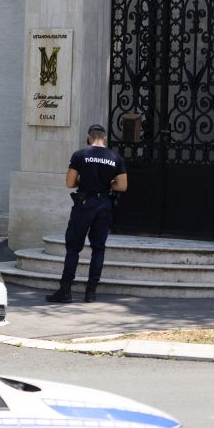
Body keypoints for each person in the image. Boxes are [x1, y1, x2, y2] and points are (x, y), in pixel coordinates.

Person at [46, 124, 128, 303]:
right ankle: (91, 292)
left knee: (73, 248)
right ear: (104, 137)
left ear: (89, 137)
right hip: (104, 204)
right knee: (98, 248)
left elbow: (70, 183)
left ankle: (65, 290)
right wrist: (109, 184)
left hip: (84, 204)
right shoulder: (115, 157)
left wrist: (82, 180)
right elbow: (122, 186)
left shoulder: (80, 155)